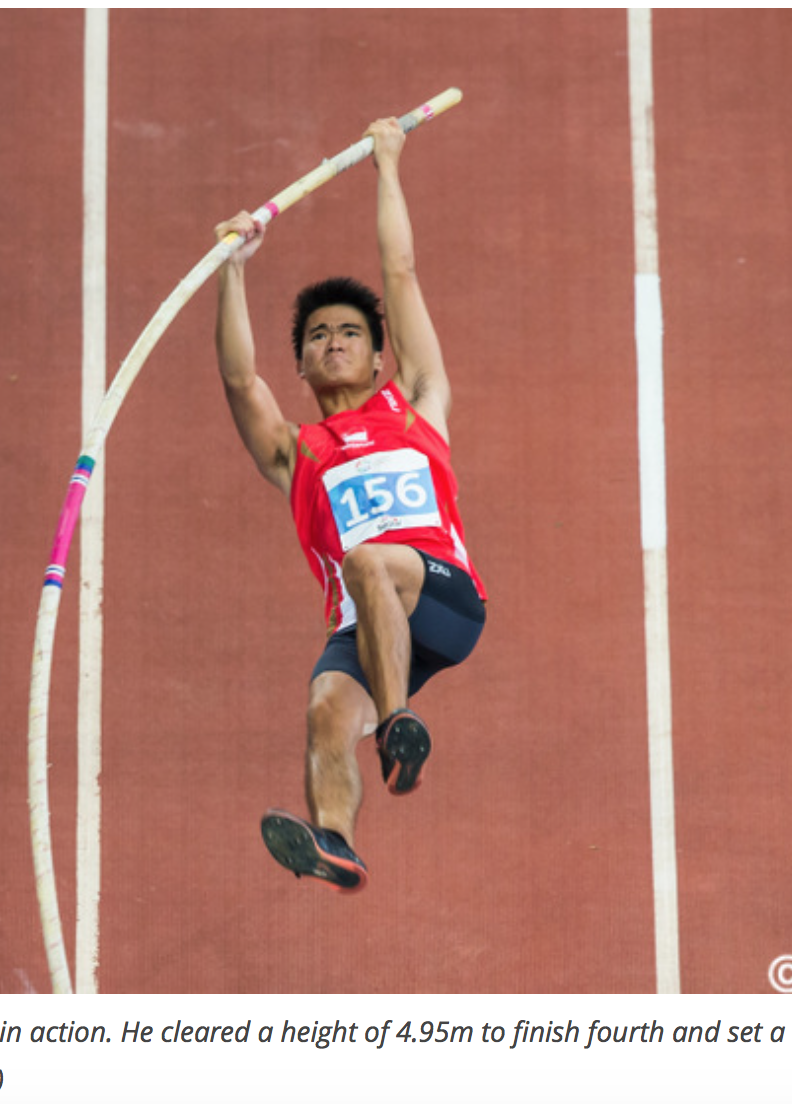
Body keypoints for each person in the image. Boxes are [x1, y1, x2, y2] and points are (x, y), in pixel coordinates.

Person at [213, 117, 487, 893]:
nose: (334, 342)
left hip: (443, 599)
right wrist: (230, 269)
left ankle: (398, 727)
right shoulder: (296, 454)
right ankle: (336, 842)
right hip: (369, 628)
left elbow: (398, 273)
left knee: (369, 560)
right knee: (327, 709)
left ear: (378, 354)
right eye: (318, 337)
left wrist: (388, 166)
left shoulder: (419, 406)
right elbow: (239, 383)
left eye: (351, 333)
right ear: (299, 362)